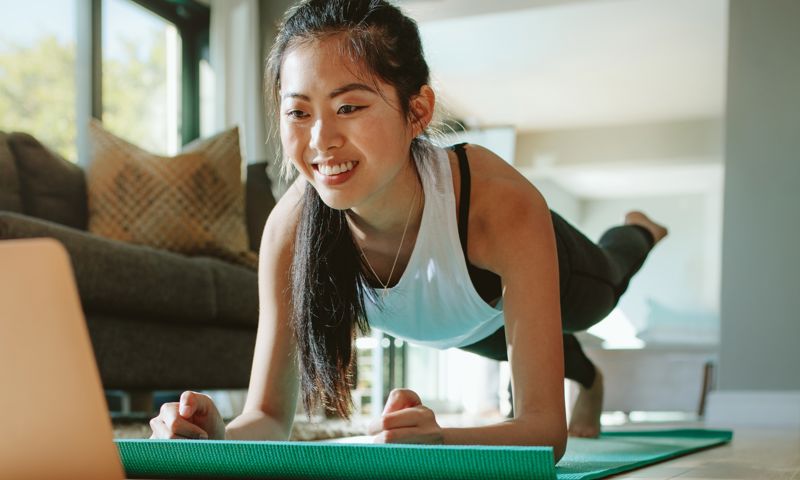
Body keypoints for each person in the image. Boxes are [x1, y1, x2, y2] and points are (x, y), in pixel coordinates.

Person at [148, 0, 668, 463]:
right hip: (464, 324)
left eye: (349, 106)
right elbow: (266, 416)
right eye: (299, 112)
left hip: (568, 278)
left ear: (416, 110)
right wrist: (215, 435)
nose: (321, 140)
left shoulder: (499, 203)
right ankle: (587, 373)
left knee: (610, 279)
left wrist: (442, 439)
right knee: (528, 345)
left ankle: (638, 230)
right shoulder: (290, 230)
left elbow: (544, 432)